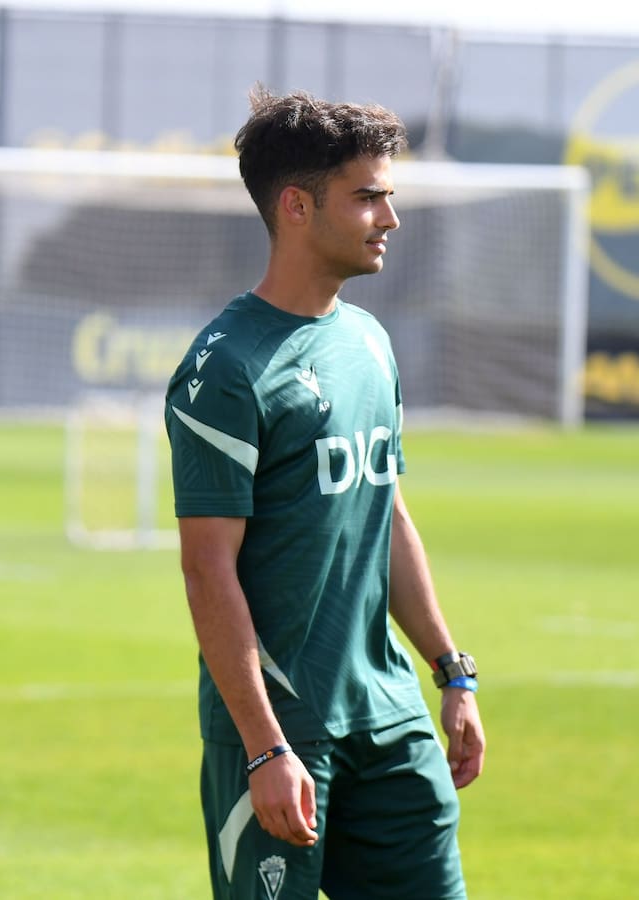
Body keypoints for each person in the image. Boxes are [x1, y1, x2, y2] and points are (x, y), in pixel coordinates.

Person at [164, 86, 485, 900]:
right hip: (282, 727)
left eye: (389, 194)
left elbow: (388, 517)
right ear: (298, 206)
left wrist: (450, 671)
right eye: (369, 196)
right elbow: (208, 570)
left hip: (390, 712)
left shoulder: (370, 342)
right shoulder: (226, 369)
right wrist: (265, 747)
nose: (390, 217)